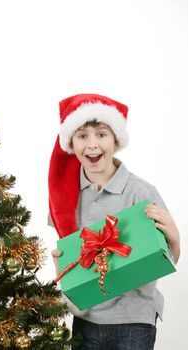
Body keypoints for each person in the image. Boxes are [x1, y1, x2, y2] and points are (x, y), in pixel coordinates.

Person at [48, 93, 180, 350]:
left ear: (116, 140)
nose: (92, 144)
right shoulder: (63, 196)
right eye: (82, 135)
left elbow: (167, 258)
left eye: (101, 134)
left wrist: (175, 237)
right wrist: (61, 266)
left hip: (134, 320)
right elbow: (66, 252)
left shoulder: (141, 193)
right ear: (71, 143)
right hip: (84, 318)